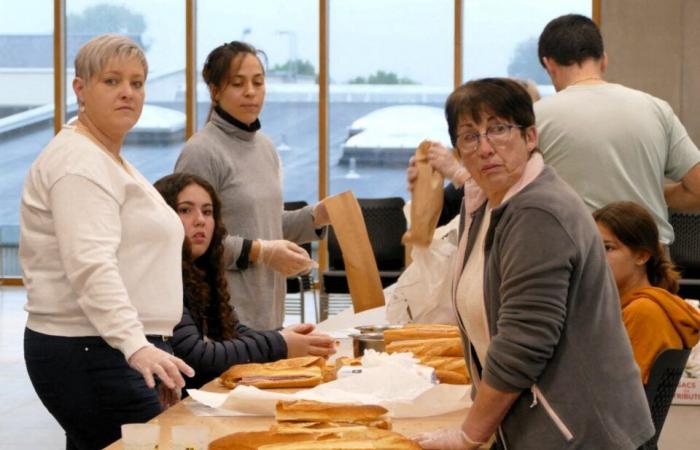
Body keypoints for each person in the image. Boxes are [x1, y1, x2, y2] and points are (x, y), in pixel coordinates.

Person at [414, 78, 653, 449]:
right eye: (469, 136)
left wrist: (468, 435)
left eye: (498, 129)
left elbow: (524, 342)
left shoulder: (538, 211)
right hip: (538, 426)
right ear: (458, 152)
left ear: (530, 137)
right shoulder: (486, 203)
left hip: (585, 434)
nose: (485, 147)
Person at [20, 35, 194, 450]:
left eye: (137, 83)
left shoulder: (108, 158)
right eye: (112, 81)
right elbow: (91, 266)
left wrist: (153, 346)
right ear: (80, 89)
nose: (127, 93)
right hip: (90, 348)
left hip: (113, 344)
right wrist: (138, 348)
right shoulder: (79, 163)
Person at [175, 41, 329, 330]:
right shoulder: (201, 152)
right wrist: (261, 251)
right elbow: (189, 242)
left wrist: (316, 216)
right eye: (238, 83)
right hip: (222, 319)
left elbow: (266, 225)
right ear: (215, 90)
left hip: (269, 313)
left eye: (258, 82)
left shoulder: (266, 148)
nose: (251, 92)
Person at [154, 173, 336, 390]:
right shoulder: (159, 274)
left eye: (207, 211)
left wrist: (285, 336)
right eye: (185, 210)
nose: (200, 220)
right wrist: (280, 344)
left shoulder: (199, 269)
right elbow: (196, 358)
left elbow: (229, 330)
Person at [536, 13, 700, 245]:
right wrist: (651, 193)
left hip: (577, 259)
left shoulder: (536, 117)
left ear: (548, 64)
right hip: (648, 261)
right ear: (604, 60)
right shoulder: (656, 109)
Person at [593, 201, 700, 383]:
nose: (595, 257)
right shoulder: (627, 307)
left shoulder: (644, 311)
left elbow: (622, 393)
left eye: (608, 248)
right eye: (592, 247)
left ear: (642, 256)